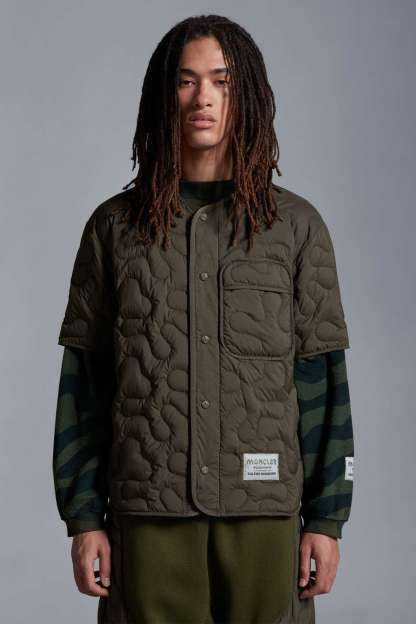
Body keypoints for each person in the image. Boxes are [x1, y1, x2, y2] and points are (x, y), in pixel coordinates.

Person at [53, 14, 354, 624]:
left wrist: (327, 518)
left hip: (264, 516)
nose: (204, 98)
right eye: (186, 81)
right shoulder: (113, 229)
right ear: (163, 96)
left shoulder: (297, 228)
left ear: (248, 97)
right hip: (147, 515)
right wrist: (83, 518)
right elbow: (85, 383)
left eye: (222, 81)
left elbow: (323, 381)